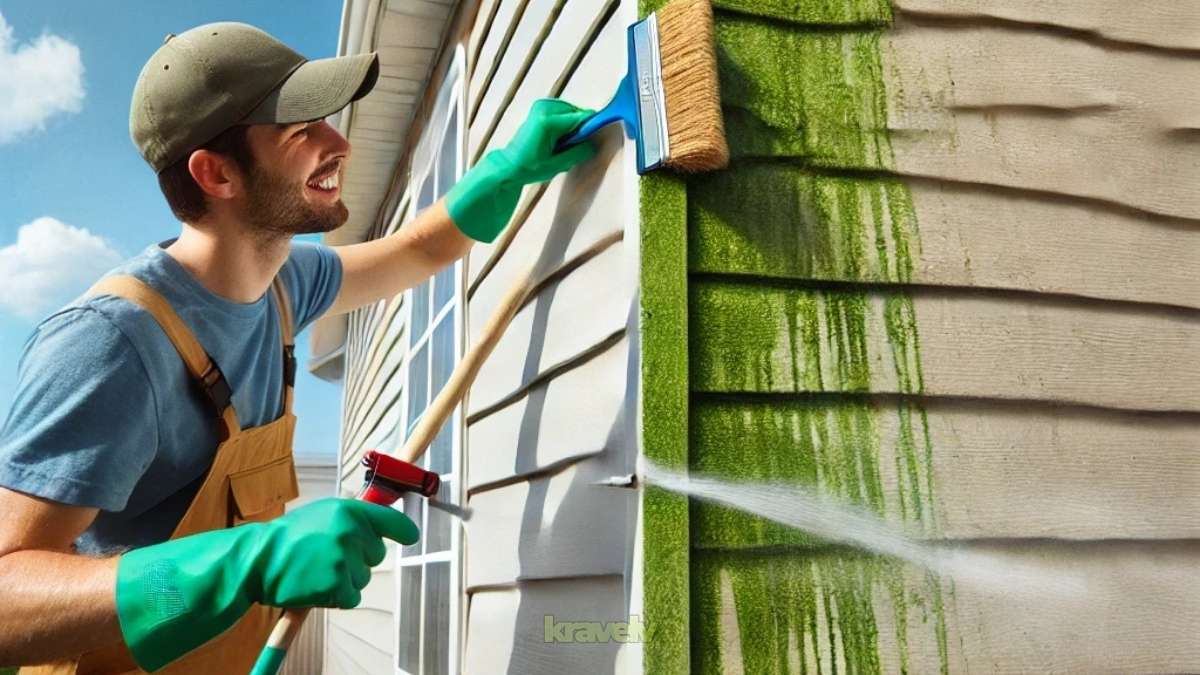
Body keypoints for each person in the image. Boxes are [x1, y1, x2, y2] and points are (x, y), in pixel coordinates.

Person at [0, 21, 595, 674]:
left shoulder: (284, 287)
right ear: (216, 173)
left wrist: (508, 168)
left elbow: (419, 247)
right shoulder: (110, 345)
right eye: (299, 130)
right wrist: (244, 561)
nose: (338, 143)